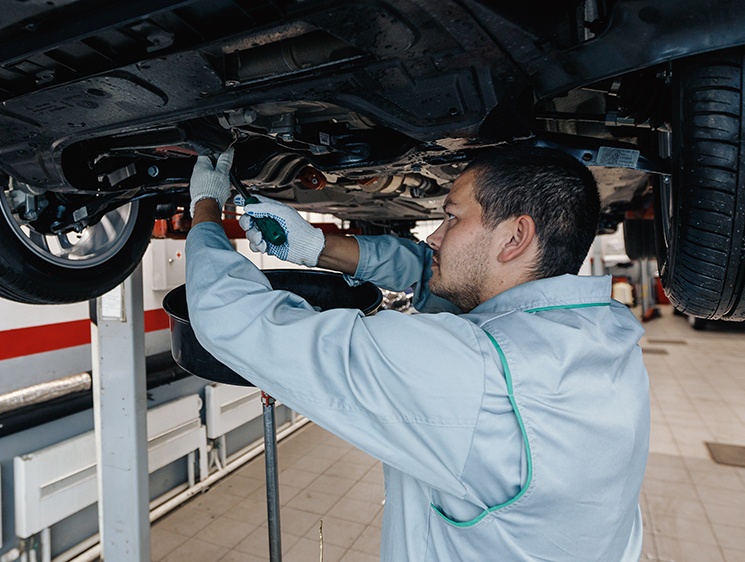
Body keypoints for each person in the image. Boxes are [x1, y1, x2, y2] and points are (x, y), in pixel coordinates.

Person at [185, 144, 650, 561]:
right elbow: (441, 275)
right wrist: (317, 247)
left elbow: (232, 317)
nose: (434, 236)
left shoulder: (474, 374)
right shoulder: (606, 332)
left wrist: (205, 209)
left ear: (514, 237)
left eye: (452, 218)